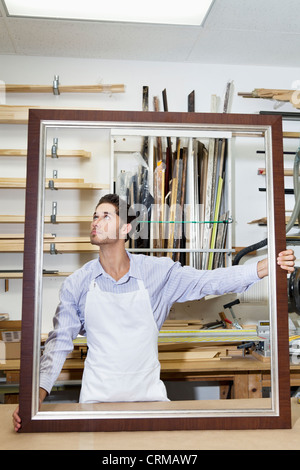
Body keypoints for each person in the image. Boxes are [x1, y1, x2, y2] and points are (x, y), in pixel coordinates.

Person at [13, 193, 296, 431]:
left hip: (150, 401)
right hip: (95, 403)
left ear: (125, 229)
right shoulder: (77, 283)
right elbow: (58, 344)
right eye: (94, 216)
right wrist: (32, 401)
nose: (95, 222)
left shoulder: (157, 273)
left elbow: (208, 281)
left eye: (105, 216)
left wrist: (264, 267)